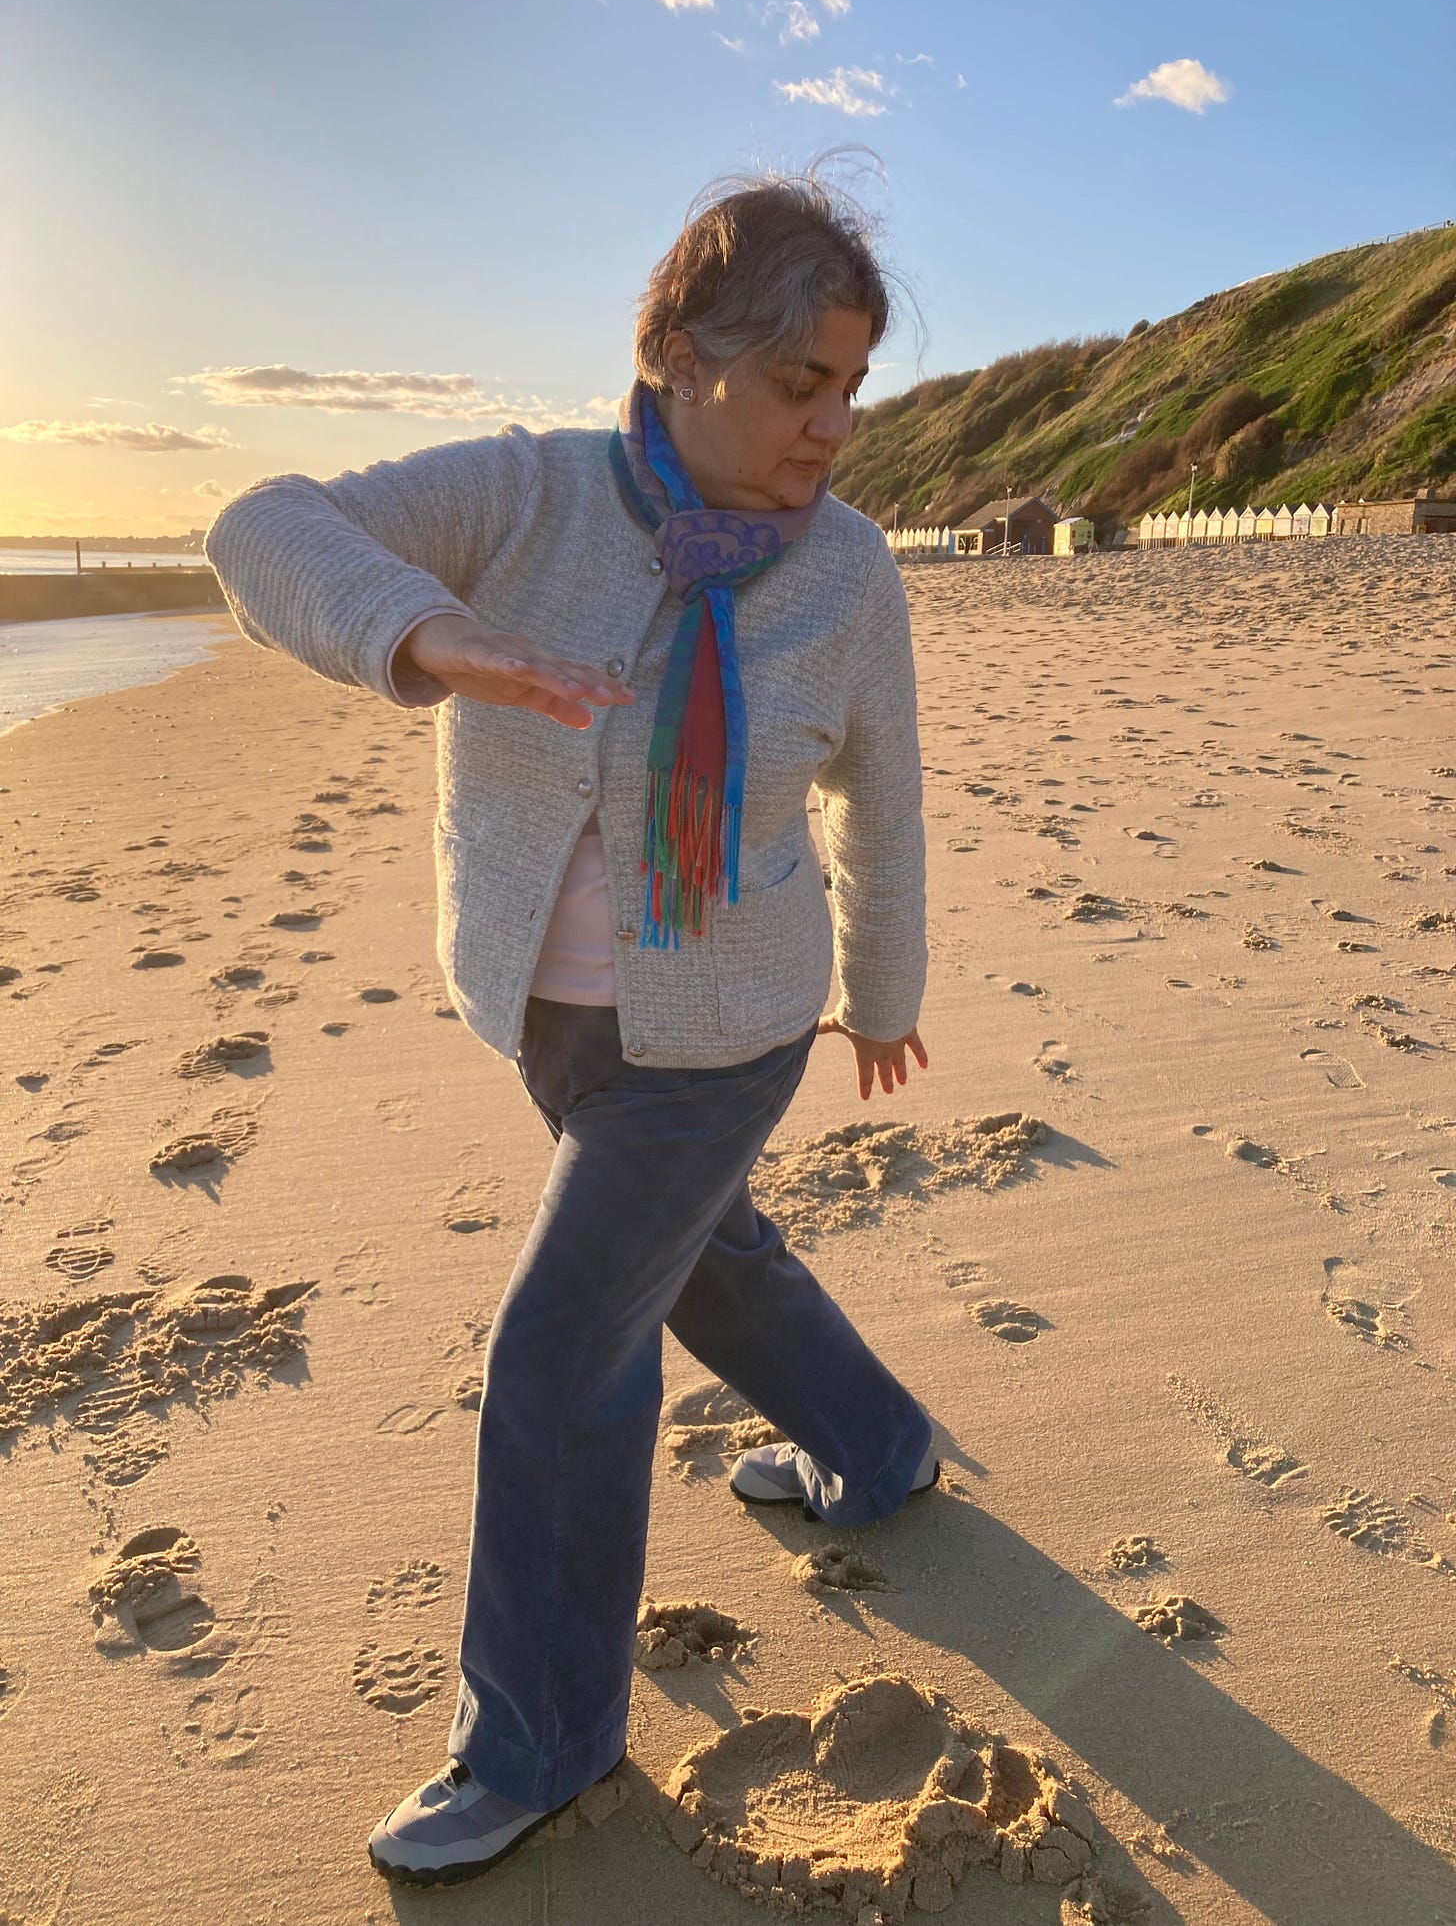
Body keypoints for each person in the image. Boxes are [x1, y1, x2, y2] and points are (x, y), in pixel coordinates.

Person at [204, 160, 936, 1891]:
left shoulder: (847, 570)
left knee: (562, 1352)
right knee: (706, 1260)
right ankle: (881, 1445)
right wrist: (432, 631)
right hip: (551, 1017)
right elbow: (260, 525)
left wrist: (881, 994)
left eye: (849, 388)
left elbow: (880, 799)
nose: (832, 428)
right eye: (799, 383)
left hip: (730, 1030)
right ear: (679, 353)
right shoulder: (527, 497)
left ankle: (540, 1737)